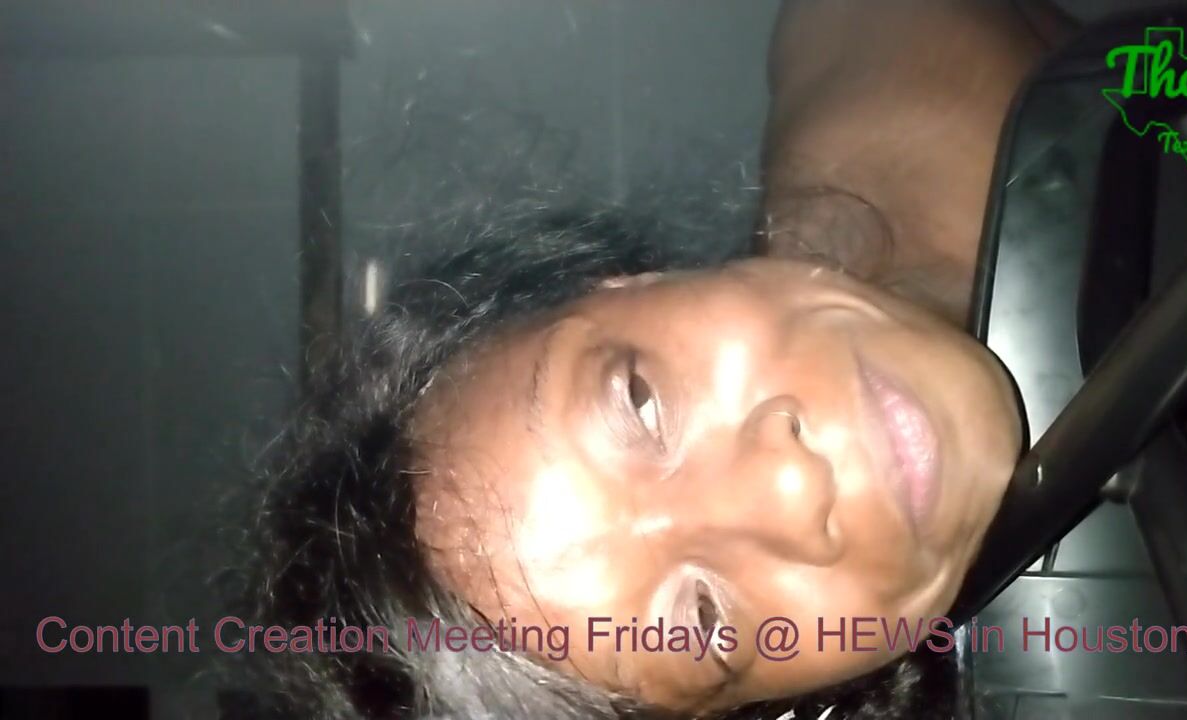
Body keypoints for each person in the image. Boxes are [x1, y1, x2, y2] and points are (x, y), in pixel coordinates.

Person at [241, 1, 1073, 717]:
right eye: (705, 622)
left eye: (639, 399)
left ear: (622, 283)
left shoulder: (875, 25)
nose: (790, 488)